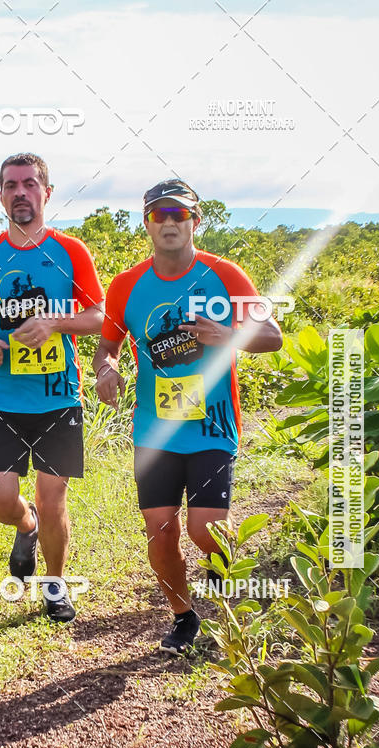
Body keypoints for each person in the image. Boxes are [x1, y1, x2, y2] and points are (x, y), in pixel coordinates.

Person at [93, 179, 282, 654]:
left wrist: (228, 336)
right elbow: (107, 348)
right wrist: (106, 371)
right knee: (160, 532)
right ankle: (183, 617)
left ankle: (225, 568)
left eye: (179, 214)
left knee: (204, 530)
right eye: (159, 214)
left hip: (212, 426)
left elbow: (273, 336)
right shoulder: (126, 286)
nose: (169, 222)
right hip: (154, 431)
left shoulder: (225, 275)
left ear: (196, 221)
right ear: (147, 223)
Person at [0, 153, 104, 622]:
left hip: (58, 398)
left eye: (29, 184)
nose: (20, 192)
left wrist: (55, 323)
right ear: (1, 195)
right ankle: (27, 526)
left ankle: (55, 586)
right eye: (10, 185)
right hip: (1, 398)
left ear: (46, 192)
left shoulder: (71, 252)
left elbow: (99, 316)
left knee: (52, 496)